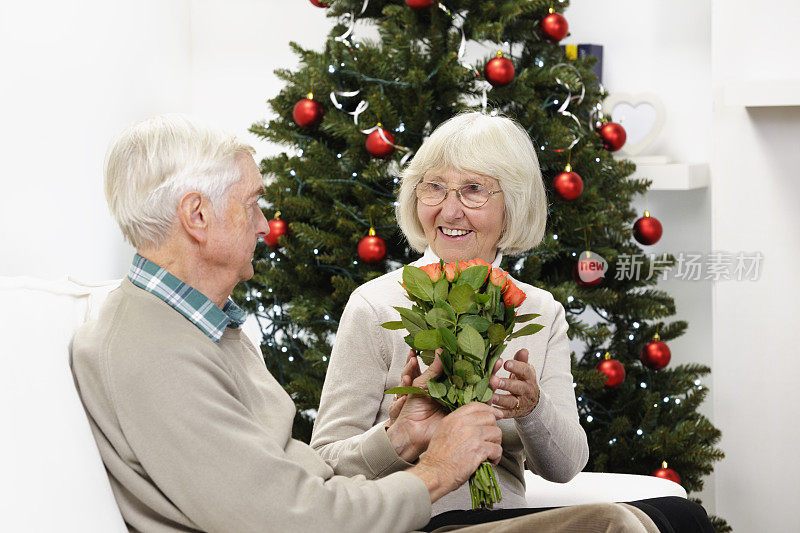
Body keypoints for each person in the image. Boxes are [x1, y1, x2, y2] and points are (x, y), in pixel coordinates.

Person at [70, 113, 657, 533]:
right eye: (253, 203)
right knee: (616, 525)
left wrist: (401, 435)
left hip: (392, 507)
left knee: (669, 517)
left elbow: (295, 476)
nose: (264, 225)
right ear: (197, 216)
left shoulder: (202, 326)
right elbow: (289, 517)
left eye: (474, 191)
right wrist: (434, 470)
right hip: (402, 520)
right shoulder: (156, 352)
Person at [311, 112, 713, 532]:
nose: (450, 210)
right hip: (418, 520)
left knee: (685, 516)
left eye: (473, 191)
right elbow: (323, 464)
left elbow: (566, 466)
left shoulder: (539, 310)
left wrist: (533, 409)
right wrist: (400, 437)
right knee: (613, 522)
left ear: (513, 205)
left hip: (507, 520)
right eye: (434, 187)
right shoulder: (375, 306)